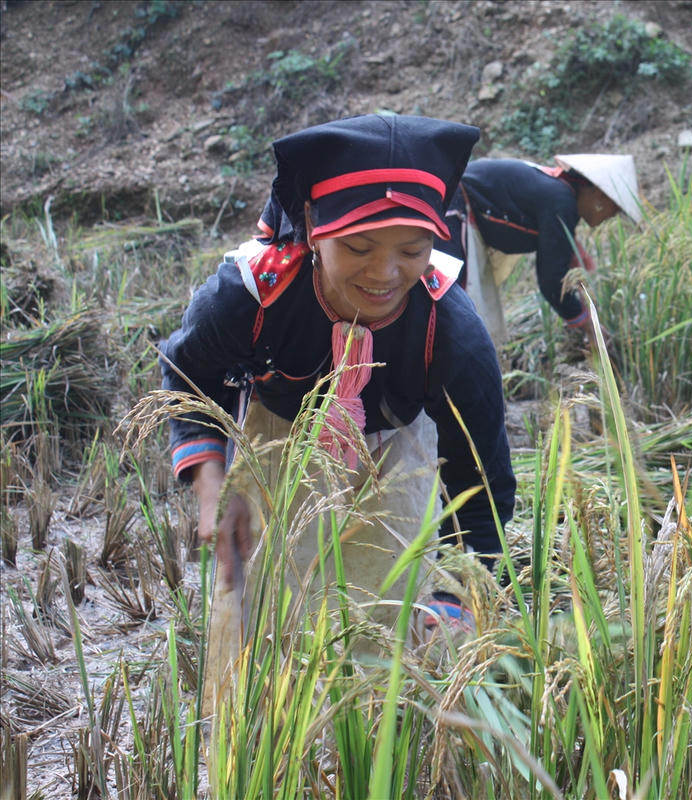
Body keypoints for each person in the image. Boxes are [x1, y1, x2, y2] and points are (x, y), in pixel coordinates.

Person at [159, 113, 515, 708]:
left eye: (412, 247)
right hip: (280, 432)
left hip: (395, 441)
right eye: (357, 245)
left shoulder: (449, 332)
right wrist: (212, 485)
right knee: (263, 607)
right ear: (312, 230)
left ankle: (370, 736)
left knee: (395, 608)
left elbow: (480, 485)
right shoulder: (253, 294)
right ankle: (266, 741)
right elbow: (188, 374)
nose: (385, 272)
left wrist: (456, 596)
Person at [440, 153, 643, 347]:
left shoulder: (561, 196)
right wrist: (589, 326)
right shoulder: (561, 202)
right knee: (455, 313)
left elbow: (560, 264)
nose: (610, 217)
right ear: (601, 196)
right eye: (614, 210)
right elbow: (552, 282)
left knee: (470, 320)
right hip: (454, 208)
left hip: (461, 205)